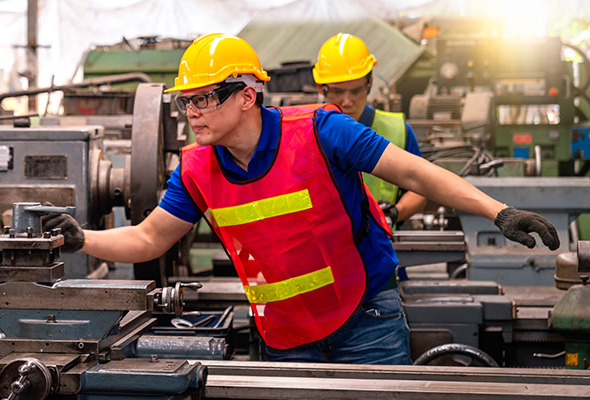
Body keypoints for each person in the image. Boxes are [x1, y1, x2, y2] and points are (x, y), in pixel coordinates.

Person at [43, 33, 560, 365]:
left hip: (365, 321)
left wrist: (500, 211)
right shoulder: (197, 168)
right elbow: (149, 237)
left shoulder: (320, 130)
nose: (191, 112)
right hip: (286, 336)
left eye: (203, 98)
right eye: (186, 101)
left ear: (246, 95)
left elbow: (415, 173)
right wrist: (82, 238)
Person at [313, 32, 426, 225]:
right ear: (320, 87)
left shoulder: (397, 131)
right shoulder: (303, 132)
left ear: (370, 83)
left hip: (381, 247)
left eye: (356, 91)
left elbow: (420, 188)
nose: (347, 102)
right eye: (337, 92)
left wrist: (393, 213)